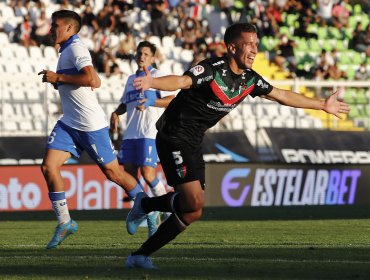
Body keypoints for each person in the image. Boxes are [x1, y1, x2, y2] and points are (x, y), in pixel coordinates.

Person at [123, 22, 350, 269]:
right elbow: (180, 80)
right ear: (232, 47)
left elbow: (282, 95)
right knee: (193, 201)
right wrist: (152, 83)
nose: (254, 49)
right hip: (173, 136)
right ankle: (144, 211)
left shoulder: (250, 80)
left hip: (195, 139)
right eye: (248, 44)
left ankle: (140, 247)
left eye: (256, 44)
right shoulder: (211, 69)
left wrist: (322, 105)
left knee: (192, 211)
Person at [37, 10, 149, 250]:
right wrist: (60, 79)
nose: (51, 30)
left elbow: (91, 79)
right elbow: (87, 81)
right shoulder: (66, 49)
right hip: (69, 122)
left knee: (113, 173)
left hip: (90, 125)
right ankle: (65, 222)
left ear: (69, 28)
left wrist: (58, 77)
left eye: (55, 26)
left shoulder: (76, 48)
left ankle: (144, 204)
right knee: (48, 167)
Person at [110, 41, 175, 233]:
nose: (142, 56)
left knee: (148, 173)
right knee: (129, 176)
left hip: (149, 132)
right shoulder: (131, 79)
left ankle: (168, 208)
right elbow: (125, 103)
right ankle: (148, 209)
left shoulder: (156, 76)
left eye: (146, 54)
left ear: (153, 58)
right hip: (130, 134)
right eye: (140, 53)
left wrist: (152, 101)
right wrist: (115, 112)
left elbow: (172, 100)